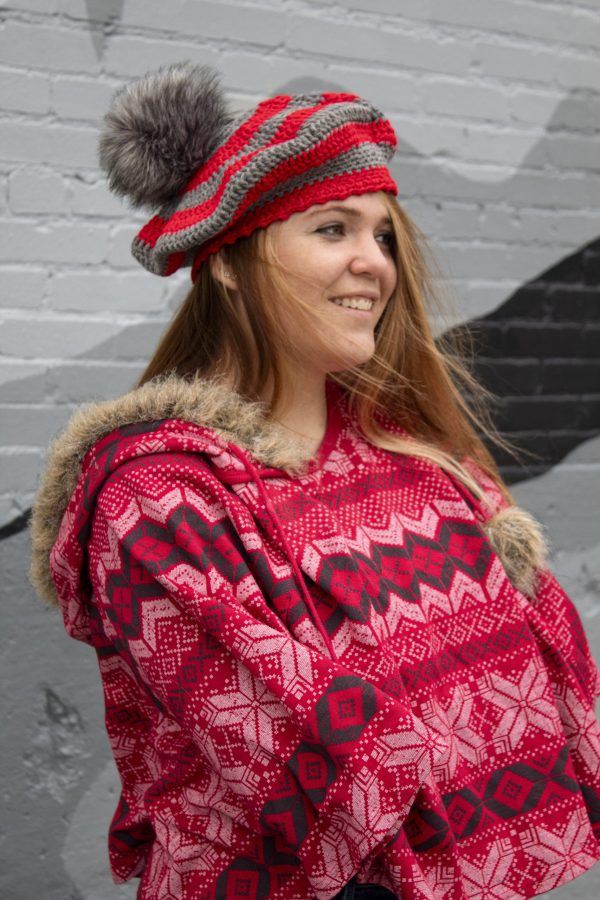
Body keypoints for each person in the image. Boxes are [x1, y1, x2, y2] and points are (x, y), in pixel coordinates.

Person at [30, 63, 600, 900]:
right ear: (227, 262)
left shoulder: (431, 467)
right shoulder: (163, 497)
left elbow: (565, 696)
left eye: (383, 235)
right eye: (334, 229)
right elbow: (325, 773)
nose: (376, 263)